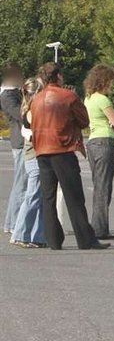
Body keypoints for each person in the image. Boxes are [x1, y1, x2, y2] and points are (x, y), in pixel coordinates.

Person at [30, 63, 109, 250]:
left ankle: (54, 240)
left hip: (42, 150)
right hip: (62, 149)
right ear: (58, 76)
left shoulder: (37, 99)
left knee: (48, 197)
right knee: (74, 196)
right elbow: (84, 121)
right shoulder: (68, 96)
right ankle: (85, 239)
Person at [83, 64, 114, 240]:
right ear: (105, 81)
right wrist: (112, 122)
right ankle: (99, 228)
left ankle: (98, 226)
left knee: (98, 184)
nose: (111, 85)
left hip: (92, 141)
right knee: (104, 187)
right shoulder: (103, 100)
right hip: (105, 141)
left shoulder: (89, 98)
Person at [10, 77, 45, 248]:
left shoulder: (27, 108)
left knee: (39, 197)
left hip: (33, 156)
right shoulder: (32, 110)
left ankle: (37, 236)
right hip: (35, 157)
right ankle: (21, 233)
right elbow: (34, 134)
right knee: (32, 196)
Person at [2, 65, 25, 234]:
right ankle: (13, 222)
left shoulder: (13, 93)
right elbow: (20, 115)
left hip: (20, 141)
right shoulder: (8, 95)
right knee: (21, 184)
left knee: (21, 183)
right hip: (20, 141)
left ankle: (12, 221)